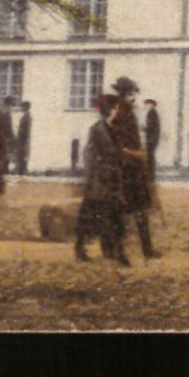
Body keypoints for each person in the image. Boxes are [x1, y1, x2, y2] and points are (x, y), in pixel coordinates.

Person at [109, 76, 160, 260]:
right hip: (126, 172)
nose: (133, 98)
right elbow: (119, 147)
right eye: (130, 94)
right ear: (123, 95)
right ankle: (120, 251)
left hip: (135, 171)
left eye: (133, 94)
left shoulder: (129, 113)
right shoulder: (121, 115)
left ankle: (146, 249)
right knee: (124, 213)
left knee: (138, 211)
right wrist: (137, 155)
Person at [75, 94, 129, 265]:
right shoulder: (97, 129)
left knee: (113, 218)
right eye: (115, 109)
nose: (117, 112)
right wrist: (96, 175)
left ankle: (114, 252)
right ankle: (81, 249)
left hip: (111, 181)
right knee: (91, 220)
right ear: (109, 111)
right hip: (99, 183)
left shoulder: (112, 129)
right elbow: (89, 154)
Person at [14, 102, 33, 176]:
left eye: (22, 107)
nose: (21, 108)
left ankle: (22, 173)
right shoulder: (26, 116)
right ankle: (21, 172)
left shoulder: (27, 117)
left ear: (25, 107)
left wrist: (19, 139)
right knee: (21, 157)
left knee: (22, 157)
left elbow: (25, 130)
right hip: (22, 140)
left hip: (23, 140)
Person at [143, 99, 162, 171]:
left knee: (150, 154)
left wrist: (143, 128)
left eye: (148, 104)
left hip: (151, 138)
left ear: (152, 105)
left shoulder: (151, 113)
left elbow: (150, 126)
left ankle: (150, 170)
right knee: (150, 154)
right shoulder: (154, 113)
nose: (147, 106)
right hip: (153, 137)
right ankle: (150, 170)